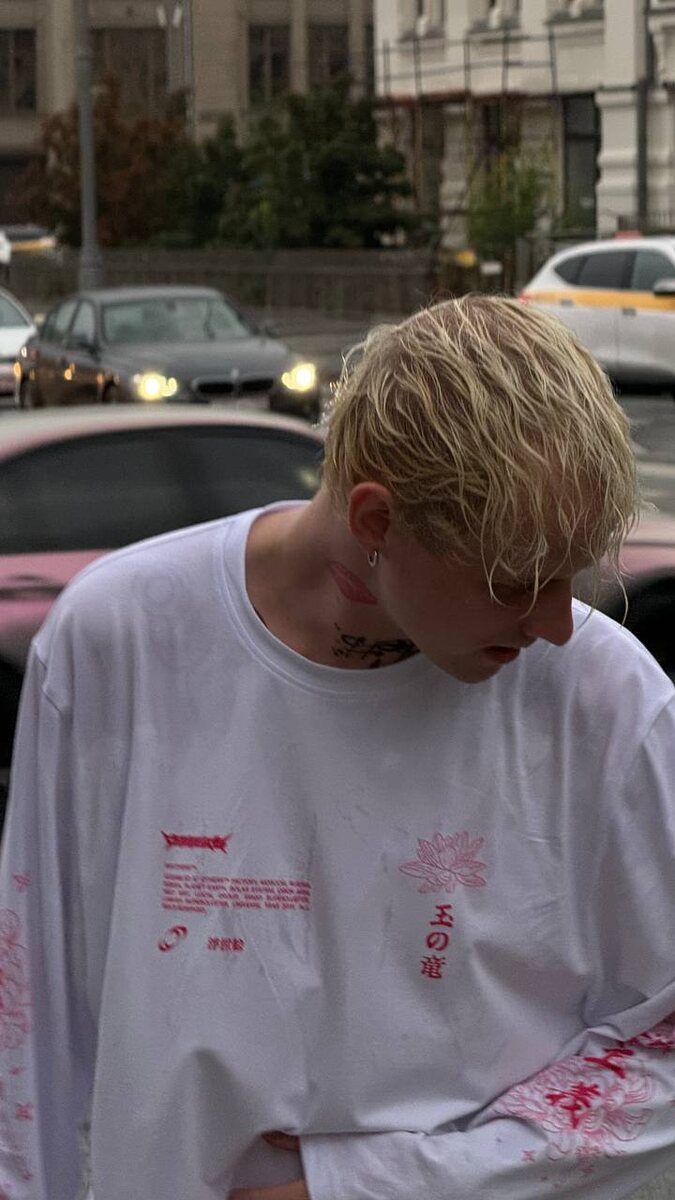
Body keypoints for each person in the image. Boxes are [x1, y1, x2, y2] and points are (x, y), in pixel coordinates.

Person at [0, 295, 674, 1200]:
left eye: (573, 577)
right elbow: (27, 1033)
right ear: (376, 520)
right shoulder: (121, 642)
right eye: (516, 580)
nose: (555, 623)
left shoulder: (604, 698)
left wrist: (374, 1185)